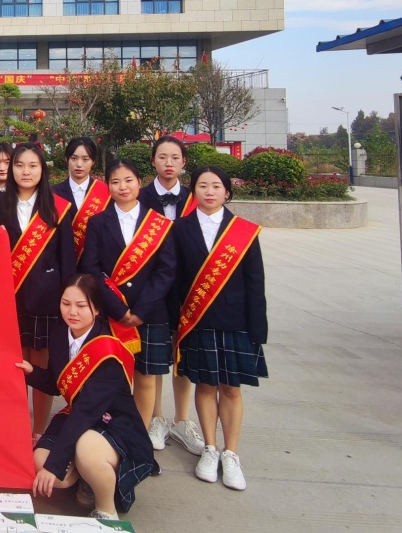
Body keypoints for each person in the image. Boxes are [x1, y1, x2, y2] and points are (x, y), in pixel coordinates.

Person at [17, 274, 157, 519]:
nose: (72, 312)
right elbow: (58, 384)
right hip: (78, 417)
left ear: (97, 308)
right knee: (40, 461)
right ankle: (86, 479)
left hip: (113, 421)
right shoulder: (60, 335)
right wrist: (32, 373)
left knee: (85, 452)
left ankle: (106, 509)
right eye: (66, 303)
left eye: (81, 306)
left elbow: (86, 412)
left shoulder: (107, 350)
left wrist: (55, 466)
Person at [171, 165, 267, 491]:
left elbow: (255, 282)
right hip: (197, 320)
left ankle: (231, 453)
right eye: (202, 185)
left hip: (236, 322)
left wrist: (258, 327)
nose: (209, 192)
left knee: (232, 388)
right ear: (193, 191)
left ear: (227, 192)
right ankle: (210, 448)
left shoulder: (243, 232)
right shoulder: (180, 229)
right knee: (205, 385)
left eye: (216, 186)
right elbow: (175, 279)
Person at [79, 158, 178, 450]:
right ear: (107, 186)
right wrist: (119, 310)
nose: (123, 187)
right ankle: (108, 436)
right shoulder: (98, 222)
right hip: (110, 314)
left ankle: (139, 440)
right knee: (109, 377)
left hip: (150, 313)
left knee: (145, 378)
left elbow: (166, 271)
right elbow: (92, 269)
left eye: (128, 180)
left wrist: (140, 311)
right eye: (115, 181)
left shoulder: (158, 224)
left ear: (139, 182)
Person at [0, 142, 75, 438]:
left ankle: (39, 432)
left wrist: (67, 301)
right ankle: (16, 430)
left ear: (42, 170)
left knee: (41, 369)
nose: (26, 171)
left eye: (33, 165)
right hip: (8, 299)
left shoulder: (58, 207)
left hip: (47, 301)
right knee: (12, 367)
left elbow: (67, 258)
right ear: (11, 169)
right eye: (20, 165)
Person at [137, 135, 204, 456]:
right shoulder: (139, 196)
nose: (168, 163)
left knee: (182, 354)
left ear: (183, 163)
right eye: (162, 157)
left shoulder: (196, 197)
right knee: (154, 357)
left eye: (175, 158)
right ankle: (157, 418)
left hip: (189, 287)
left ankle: (182, 419)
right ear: (152, 161)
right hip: (151, 288)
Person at [53, 137, 110, 262]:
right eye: (74, 158)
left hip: (97, 263)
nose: (79, 164)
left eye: (85, 159)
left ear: (93, 161)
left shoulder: (106, 192)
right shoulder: (53, 193)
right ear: (66, 159)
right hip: (63, 261)